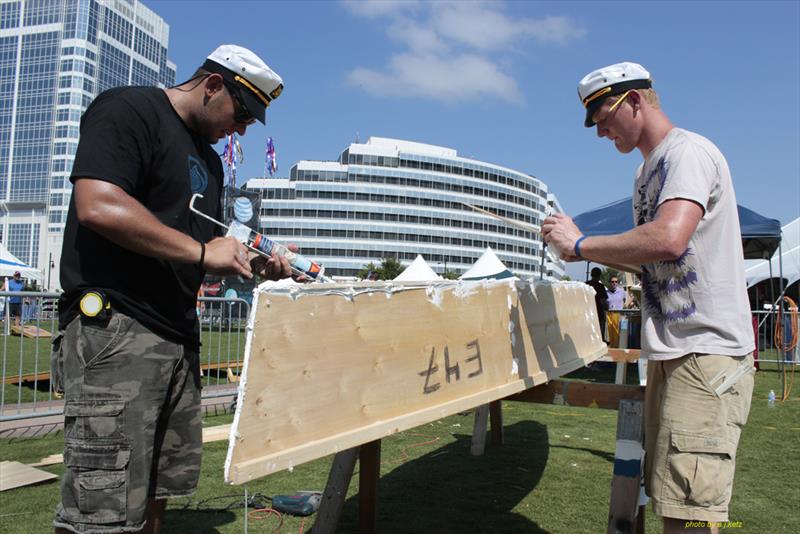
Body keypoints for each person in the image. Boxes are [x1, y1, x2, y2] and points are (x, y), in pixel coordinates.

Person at [54, 44, 294, 534]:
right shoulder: (129, 109)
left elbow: (196, 246)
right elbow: (97, 204)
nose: (243, 127)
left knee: (159, 491)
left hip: (176, 335)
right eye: (242, 111)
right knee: (101, 502)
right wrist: (207, 253)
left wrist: (255, 264)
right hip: (118, 329)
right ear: (212, 85)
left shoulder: (209, 162)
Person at [542, 62, 754, 533]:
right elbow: (654, 260)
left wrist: (581, 244)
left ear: (634, 101)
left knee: (689, 512)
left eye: (603, 119)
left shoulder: (687, 153)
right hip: (677, 352)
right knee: (673, 501)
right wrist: (583, 252)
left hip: (705, 352)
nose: (600, 133)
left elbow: (669, 239)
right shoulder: (645, 174)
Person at [586, 266, 609, 342]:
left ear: (591, 274)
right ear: (599, 276)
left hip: (587, 314)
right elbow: (603, 301)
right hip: (598, 314)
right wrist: (607, 307)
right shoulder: (600, 286)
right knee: (599, 337)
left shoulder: (585, 285)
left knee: (588, 336)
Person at [606, 275, 627, 346]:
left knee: (618, 332)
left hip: (619, 314)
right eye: (612, 282)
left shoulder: (622, 291)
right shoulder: (606, 292)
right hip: (609, 314)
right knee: (610, 332)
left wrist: (625, 306)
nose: (614, 283)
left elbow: (628, 299)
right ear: (610, 283)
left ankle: (618, 346)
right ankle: (612, 346)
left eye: (616, 281)